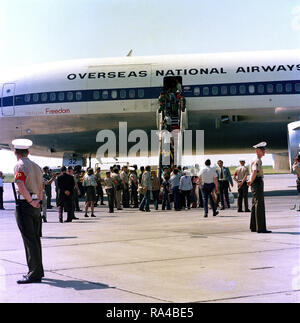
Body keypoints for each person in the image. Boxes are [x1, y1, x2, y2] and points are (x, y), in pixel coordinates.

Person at [12, 139, 44, 284]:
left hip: (25, 204)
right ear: (28, 152)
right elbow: (42, 186)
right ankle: (38, 270)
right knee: (35, 239)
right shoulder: (37, 166)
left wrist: (30, 201)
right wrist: (38, 201)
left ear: (15, 152)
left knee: (29, 240)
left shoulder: (19, 166)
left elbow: (20, 184)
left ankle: (34, 273)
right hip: (36, 204)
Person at [247, 142, 272, 233]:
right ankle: (261, 228)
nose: (264, 151)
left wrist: (251, 181)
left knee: (255, 204)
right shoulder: (257, 160)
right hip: (257, 182)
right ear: (258, 151)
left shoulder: (255, 159)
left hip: (255, 182)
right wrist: (251, 180)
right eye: (263, 150)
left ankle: (253, 226)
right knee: (259, 205)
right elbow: (254, 171)